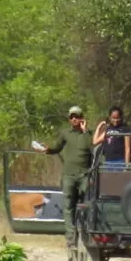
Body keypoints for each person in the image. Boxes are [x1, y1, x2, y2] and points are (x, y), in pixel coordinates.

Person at [32, 105, 94, 246]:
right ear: (69, 119)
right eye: (72, 117)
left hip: (85, 175)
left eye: (77, 116)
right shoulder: (65, 133)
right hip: (69, 175)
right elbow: (56, 148)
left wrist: (85, 131)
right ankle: (71, 236)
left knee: (88, 204)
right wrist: (47, 149)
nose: (74, 119)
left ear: (82, 118)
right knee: (68, 206)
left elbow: (91, 147)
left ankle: (86, 231)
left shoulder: (88, 134)